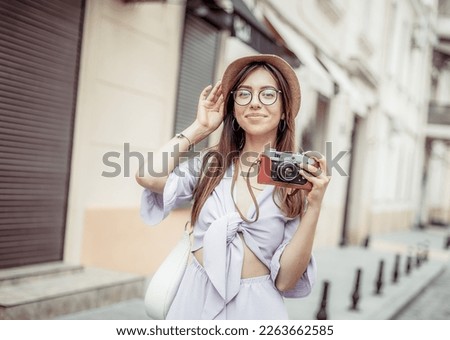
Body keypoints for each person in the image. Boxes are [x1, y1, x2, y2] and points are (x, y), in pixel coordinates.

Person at [136, 54, 330, 320]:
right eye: (244, 94)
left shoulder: (294, 179)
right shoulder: (212, 163)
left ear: (285, 109)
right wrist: (199, 128)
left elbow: (285, 281)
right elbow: (147, 176)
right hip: (194, 300)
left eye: (268, 94)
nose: (255, 103)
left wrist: (314, 207)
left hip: (254, 309)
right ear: (234, 108)